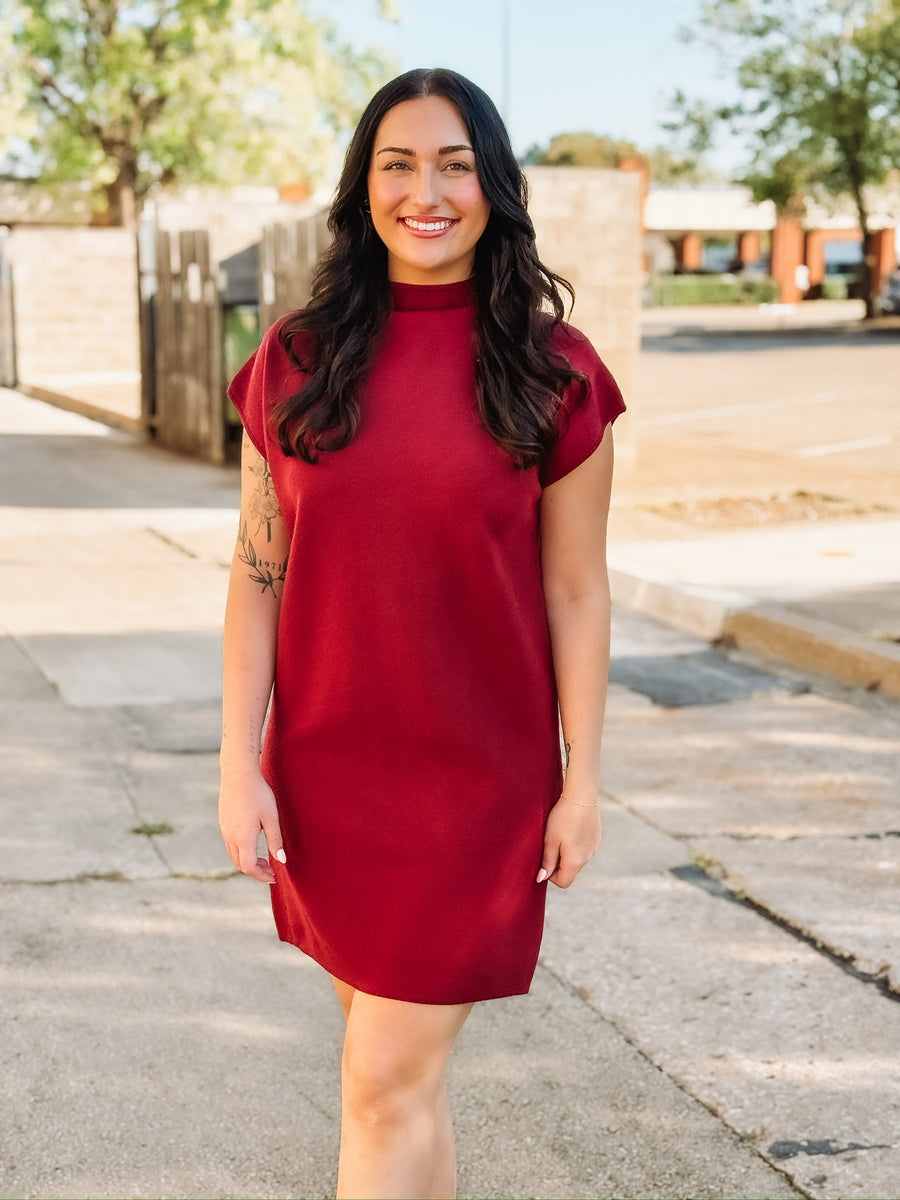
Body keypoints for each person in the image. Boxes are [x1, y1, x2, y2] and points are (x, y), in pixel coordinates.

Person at [219, 67, 625, 1200]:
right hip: (328, 772)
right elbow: (258, 574)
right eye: (399, 164)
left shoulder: (556, 375)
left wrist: (582, 781)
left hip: (475, 789)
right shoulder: (295, 362)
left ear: (494, 185)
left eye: (454, 164)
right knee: (398, 1087)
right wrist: (235, 762)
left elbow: (579, 595)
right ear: (365, 187)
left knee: (381, 1083)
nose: (426, 190)